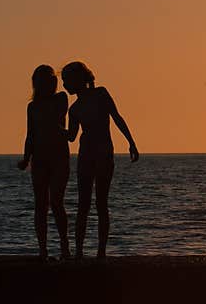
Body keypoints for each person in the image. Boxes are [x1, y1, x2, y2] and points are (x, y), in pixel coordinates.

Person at [61, 61, 139, 260]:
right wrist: (54, 127)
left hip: (103, 152)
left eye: (67, 81)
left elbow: (117, 117)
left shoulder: (101, 94)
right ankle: (79, 252)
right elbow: (71, 136)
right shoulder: (74, 109)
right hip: (86, 153)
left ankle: (101, 252)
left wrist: (131, 142)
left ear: (79, 79)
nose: (64, 85)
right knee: (83, 204)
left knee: (101, 203)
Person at [17, 65, 70, 261]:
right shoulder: (32, 107)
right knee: (41, 205)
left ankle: (65, 246)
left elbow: (55, 118)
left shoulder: (61, 98)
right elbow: (30, 134)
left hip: (58, 157)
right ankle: (43, 250)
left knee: (56, 202)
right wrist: (26, 157)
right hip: (39, 158)